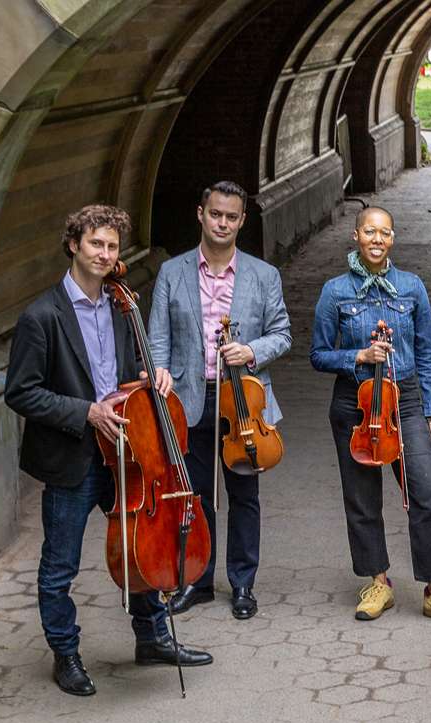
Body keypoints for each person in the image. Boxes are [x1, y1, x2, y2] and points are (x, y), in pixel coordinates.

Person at [4, 205, 212, 696]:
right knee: (60, 565)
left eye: (112, 246)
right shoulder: (41, 316)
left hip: (127, 452)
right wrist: (85, 411)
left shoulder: (121, 306)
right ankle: (66, 654)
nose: (105, 254)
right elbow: (21, 392)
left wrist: (151, 375)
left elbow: (129, 370)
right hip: (75, 456)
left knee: (142, 549)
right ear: (74, 245)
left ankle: (152, 637)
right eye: (95, 243)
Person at [311, 206, 431, 627]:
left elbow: (426, 353)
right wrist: (358, 356)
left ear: (393, 239)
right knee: (361, 497)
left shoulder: (411, 287)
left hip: (406, 398)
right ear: (356, 236)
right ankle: (377, 581)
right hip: (356, 400)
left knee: (428, 492)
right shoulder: (334, 291)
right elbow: (318, 354)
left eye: (384, 233)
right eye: (369, 232)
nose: (377, 239)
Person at [148, 181, 292, 620]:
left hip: (243, 402)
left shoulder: (263, 275)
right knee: (195, 495)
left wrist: (251, 351)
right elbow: (157, 337)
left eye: (231, 217)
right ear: (200, 214)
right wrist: (160, 370)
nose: (223, 223)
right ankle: (199, 579)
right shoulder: (172, 273)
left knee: (244, 494)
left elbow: (282, 334)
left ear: (242, 220)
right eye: (216, 214)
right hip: (189, 399)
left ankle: (243, 583)